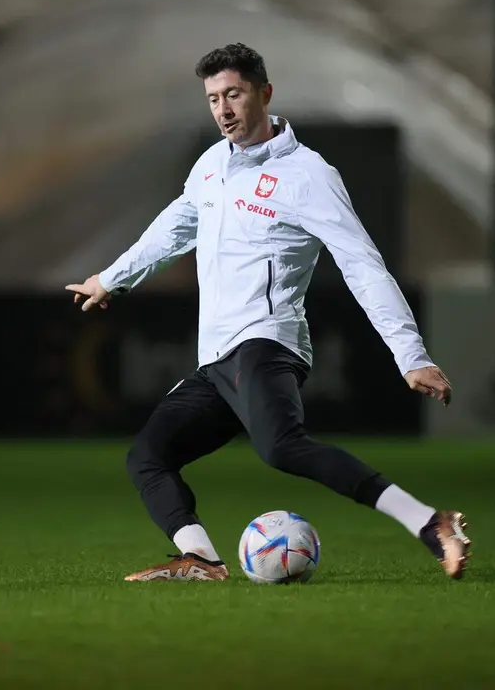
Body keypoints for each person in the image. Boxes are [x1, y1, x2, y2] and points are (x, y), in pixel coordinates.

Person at [66, 43, 470, 582]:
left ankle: (429, 522)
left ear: (264, 93)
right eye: (213, 98)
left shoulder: (308, 175)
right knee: (147, 457)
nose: (223, 109)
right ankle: (202, 559)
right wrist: (111, 278)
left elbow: (363, 266)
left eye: (233, 94)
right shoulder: (211, 165)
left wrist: (410, 355)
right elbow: (173, 228)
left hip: (265, 342)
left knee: (281, 449)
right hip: (216, 358)